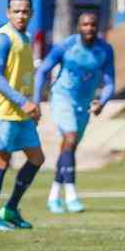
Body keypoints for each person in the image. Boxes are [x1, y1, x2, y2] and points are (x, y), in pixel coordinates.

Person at [34, 12, 115, 213]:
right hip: (62, 99)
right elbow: (43, 71)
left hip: (84, 105)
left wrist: (102, 102)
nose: (89, 28)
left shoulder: (105, 50)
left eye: (93, 24)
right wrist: (36, 100)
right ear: (78, 27)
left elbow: (110, 82)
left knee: (68, 149)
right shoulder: (66, 46)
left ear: (98, 27)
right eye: (85, 24)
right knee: (70, 137)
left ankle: (53, 197)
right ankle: (71, 196)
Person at [0, 0, 45, 231]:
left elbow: (24, 76)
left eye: (25, 11)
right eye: (16, 11)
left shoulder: (25, 37)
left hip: (21, 110)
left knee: (37, 158)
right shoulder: (2, 38)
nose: (20, 15)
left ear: (31, 13)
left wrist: (32, 105)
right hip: (1, 110)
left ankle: (10, 209)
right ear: (8, 12)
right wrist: (24, 102)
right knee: (1, 159)